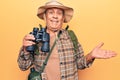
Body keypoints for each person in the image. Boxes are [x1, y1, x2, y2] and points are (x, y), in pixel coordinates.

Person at [17, 1, 117, 80]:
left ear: (63, 18)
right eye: (51, 12)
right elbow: (23, 66)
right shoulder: (34, 38)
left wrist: (91, 55)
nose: (55, 16)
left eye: (59, 13)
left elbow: (79, 64)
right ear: (45, 16)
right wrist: (25, 49)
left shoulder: (71, 37)